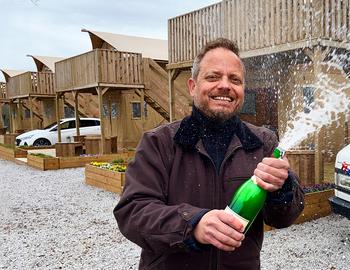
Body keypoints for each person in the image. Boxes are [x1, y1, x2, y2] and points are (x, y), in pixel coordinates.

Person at [114, 38, 305, 270]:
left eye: (235, 79)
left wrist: (283, 188)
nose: (225, 85)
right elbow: (133, 212)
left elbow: (283, 218)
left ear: (243, 90)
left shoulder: (263, 143)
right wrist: (193, 224)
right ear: (193, 86)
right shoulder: (159, 142)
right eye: (213, 77)